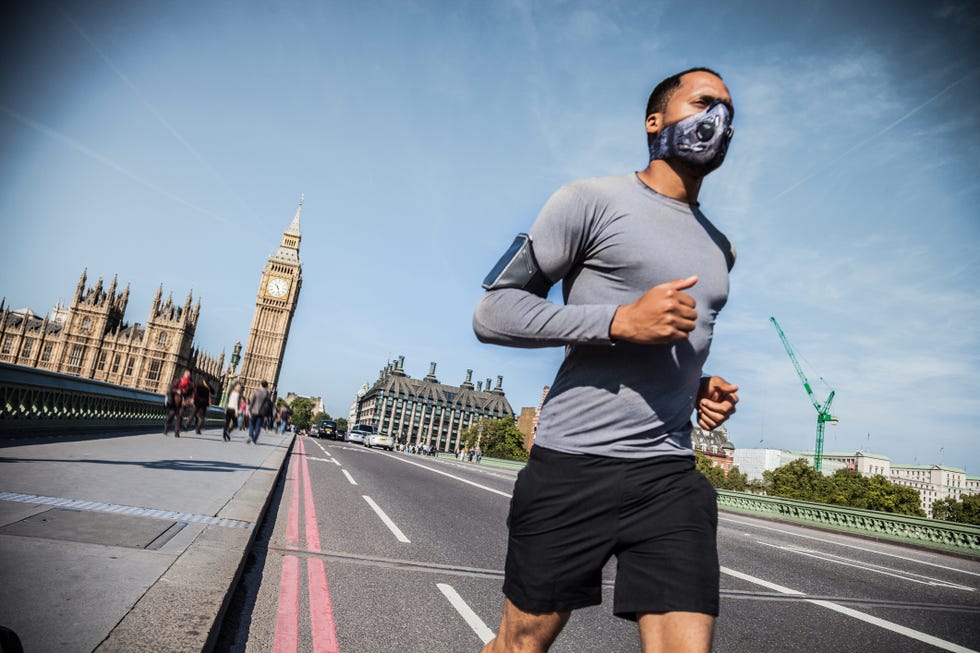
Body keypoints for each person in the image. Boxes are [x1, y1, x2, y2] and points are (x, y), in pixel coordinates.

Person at [472, 68, 740, 653]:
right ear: (655, 121)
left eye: (728, 112)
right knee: (521, 644)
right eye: (703, 103)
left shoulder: (722, 249)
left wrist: (697, 385)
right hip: (572, 463)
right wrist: (618, 322)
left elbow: (673, 341)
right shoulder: (587, 202)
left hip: (668, 472)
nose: (718, 120)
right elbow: (493, 314)